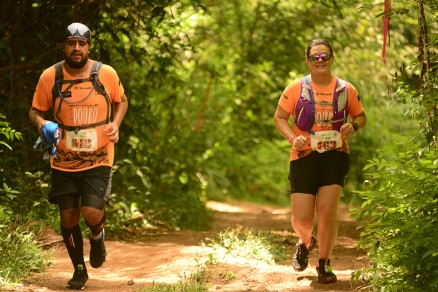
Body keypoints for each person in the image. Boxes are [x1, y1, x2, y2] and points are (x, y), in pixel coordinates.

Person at [29, 22, 128, 290]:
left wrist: (115, 125)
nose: (76, 48)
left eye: (81, 44)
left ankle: (97, 235)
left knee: (91, 212)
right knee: (68, 218)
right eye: (71, 43)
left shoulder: (104, 73)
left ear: (88, 46)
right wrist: (43, 125)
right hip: (63, 158)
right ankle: (79, 270)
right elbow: (35, 110)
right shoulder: (51, 76)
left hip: (99, 156)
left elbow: (122, 100)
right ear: (64, 45)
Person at [273, 38, 366, 284]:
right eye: (316, 57)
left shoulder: (347, 89)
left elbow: (361, 116)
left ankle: (324, 263)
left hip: (336, 155)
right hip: (303, 156)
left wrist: (353, 126)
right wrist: (293, 138)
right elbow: (279, 118)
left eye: (325, 56)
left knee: (327, 212)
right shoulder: (296, 88)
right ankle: (306, 241)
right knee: (301, 219)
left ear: (332, 58)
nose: (321, 60)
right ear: (308, 60)